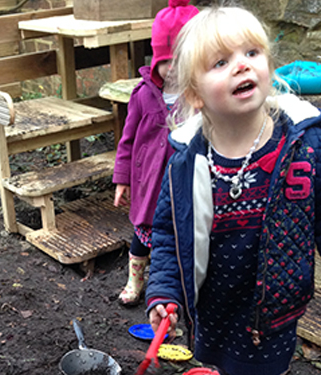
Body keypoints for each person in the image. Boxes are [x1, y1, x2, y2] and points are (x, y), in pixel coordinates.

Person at [145, 6, 321, 375]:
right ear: (195, 95)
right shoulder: (185, 162)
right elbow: (167, 234)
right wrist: (164, 293)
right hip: (213, 314)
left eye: (252, 53)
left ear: (269, 68)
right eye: (221, 62)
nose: (242, 65)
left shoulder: (304, 145)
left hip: (275, 316)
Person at [113, 0, 199, 305]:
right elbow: (127, 139)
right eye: (167, 60)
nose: (174, 68)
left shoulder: (202, 98)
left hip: (185, 184)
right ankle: (135, 281)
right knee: (143, 234)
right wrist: (122, 179)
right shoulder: (143, 95)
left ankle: (179, 286)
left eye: (182, 59)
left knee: (182, 235)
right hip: (149, 183)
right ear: (156, 58)